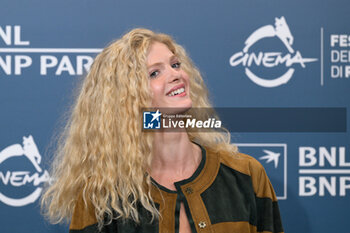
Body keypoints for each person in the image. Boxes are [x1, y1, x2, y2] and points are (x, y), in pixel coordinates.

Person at [41, 28, 284, 233]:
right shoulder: (101, 196)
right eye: (155, 73)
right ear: (126, 99)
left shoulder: (245, 175)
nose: (176, 74)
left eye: (175, 64)